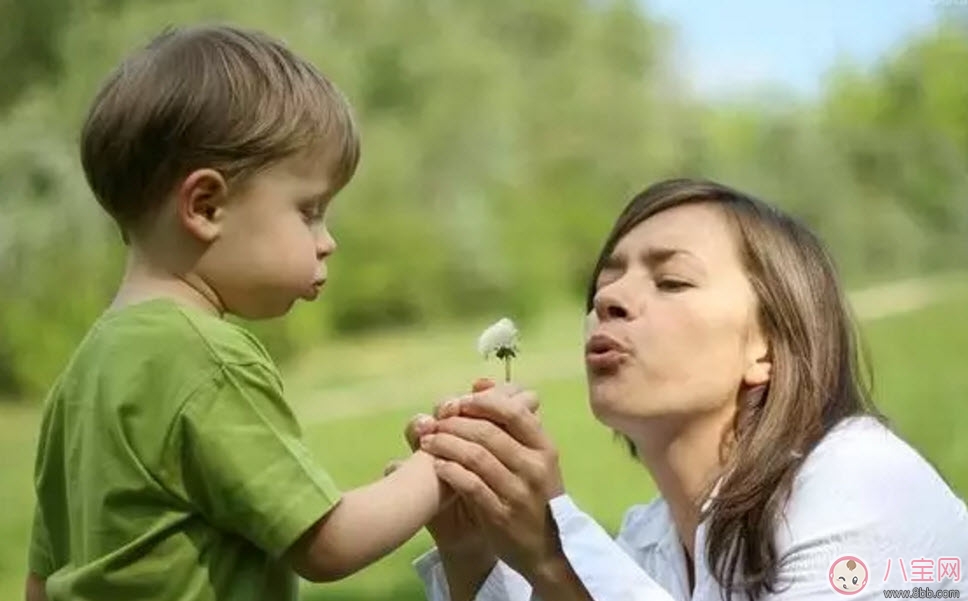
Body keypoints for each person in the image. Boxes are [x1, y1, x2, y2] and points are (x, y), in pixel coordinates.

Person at [24, 24, 483, 601]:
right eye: (309, 211)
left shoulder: (80, 377)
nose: (326, 241)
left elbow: (40, 581)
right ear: (206, 205)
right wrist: (449, 464)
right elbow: (327, 542)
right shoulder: (205, 358)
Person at [409, 179, 968, 600]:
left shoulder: (863, 485)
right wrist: (472, 553)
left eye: (671, 281)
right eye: (604, 285)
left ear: (767, 346)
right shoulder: (650, 538)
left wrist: (554, 554)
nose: (608, 301)